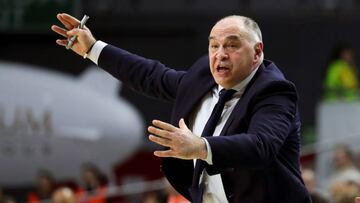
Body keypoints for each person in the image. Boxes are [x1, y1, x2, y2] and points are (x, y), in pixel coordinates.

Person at [52, 13, 311, 203]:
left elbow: (261, 146)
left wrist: (201, 147)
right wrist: (93, 48)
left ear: (257, 53)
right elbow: (151, 75)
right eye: (214, 45)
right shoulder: (202, 77)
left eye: (232, 45)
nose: (220, 54)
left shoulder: (275, 92)